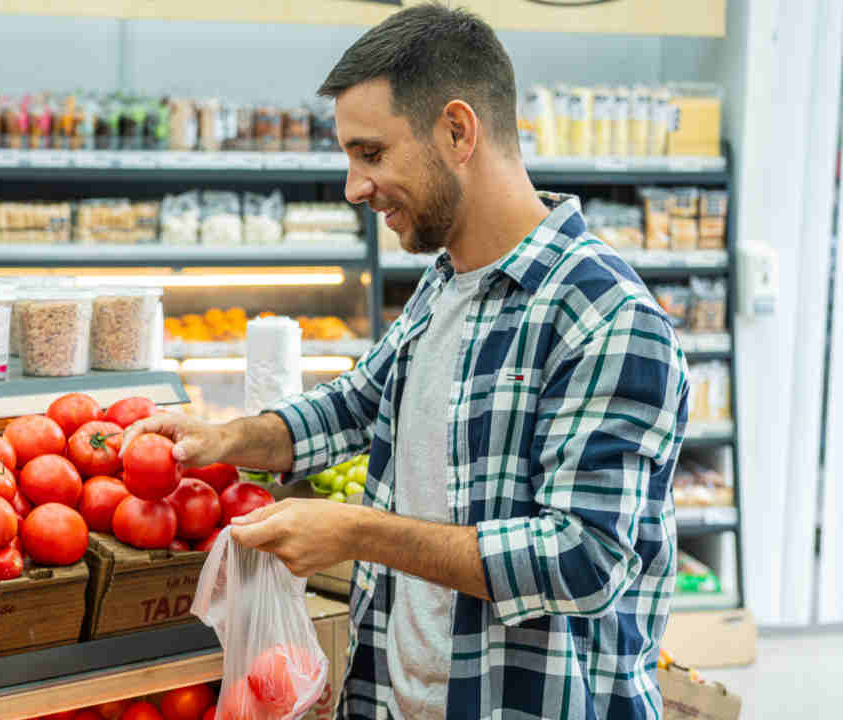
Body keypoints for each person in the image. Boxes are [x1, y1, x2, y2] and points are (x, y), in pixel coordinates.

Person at [124, 4, 689, 719]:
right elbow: (363, 398)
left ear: (456, 131)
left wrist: (357, 532)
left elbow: (584, 559)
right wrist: (230, 438)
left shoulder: (607, 317)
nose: (353, 187)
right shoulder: (448, 278)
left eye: (371, 153)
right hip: (399, 697)